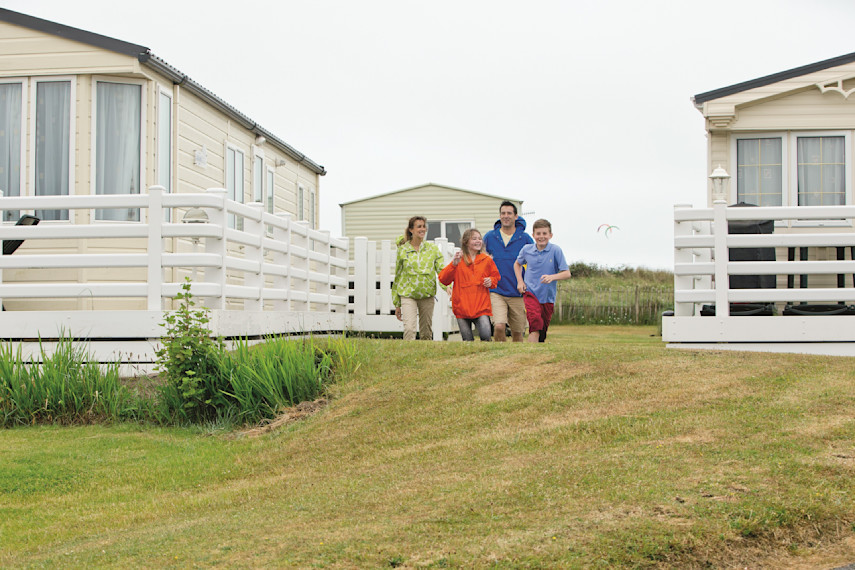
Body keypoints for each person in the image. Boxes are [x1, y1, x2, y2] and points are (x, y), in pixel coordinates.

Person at [513, 218, 571, 343]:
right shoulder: (526, 250)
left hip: (547, 297)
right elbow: (517, 264)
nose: (541, 237)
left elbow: (567, 273)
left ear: (550, 235)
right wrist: (520, 281)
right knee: (535, 324)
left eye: (544, 233)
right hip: (530, 293)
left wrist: (552, 277)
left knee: (542, 331)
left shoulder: (556, 250)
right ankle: (528, 355)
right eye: (538, 234)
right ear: (533, 235)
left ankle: (538, 350)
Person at [483, 201, 534, 342]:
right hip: (496, 290)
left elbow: (534, 262)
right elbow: (479, 258)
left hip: (517, 292)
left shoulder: (525, 238)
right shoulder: (490, 237)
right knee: (499, 326)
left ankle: (515, 359)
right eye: (503, 213)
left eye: (509, 213)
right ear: (499, 216)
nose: (506, 216)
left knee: (518, 333)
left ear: (516, 216)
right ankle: (500, 355)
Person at [438, 229, 501, 342]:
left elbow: (496, 278)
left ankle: (487, 358)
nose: (478, 241)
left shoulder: (486, 260)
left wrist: (491, 281)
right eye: (474, 238)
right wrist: (453, 264)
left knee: (486, 335)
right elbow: (443, 279)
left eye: (479, 239)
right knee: (467, 340)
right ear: (466, 242)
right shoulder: (458, 260)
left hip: (481, 306)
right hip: (461, 307)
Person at [393, 216, 446, 341]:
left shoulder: (432, 249)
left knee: (426, 332)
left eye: (424, 226)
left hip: (427, 295)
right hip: (408, 294)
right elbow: (398, 276)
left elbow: (441, 270)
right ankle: (407, 356)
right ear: (411, 230)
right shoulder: (403, 250)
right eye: (419, 226)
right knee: (410, 329)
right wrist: (397, 304)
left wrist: (447, 286)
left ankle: (426, 358)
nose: (422, 229)